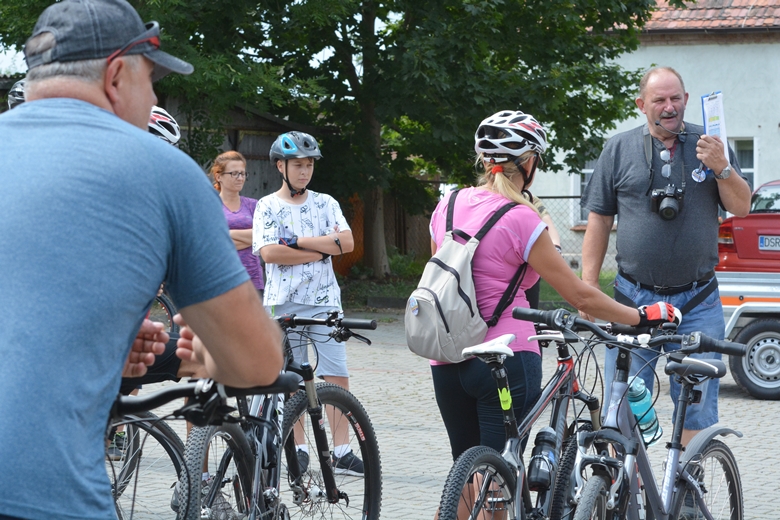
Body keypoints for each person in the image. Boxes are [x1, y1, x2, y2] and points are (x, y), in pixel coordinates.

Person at [0, 1, 283, 519]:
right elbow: (256, 363)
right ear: (115, 76)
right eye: (150, 81)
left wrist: (97, 339)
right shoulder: (162, 171)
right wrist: (210, 355)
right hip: (42, 499)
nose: (154, 97)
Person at [429, 109, 681, 478]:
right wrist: (642, 316)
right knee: (499, 481)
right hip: (507, 355)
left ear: (484, 159)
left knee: (464, 477)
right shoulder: (521, 218)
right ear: (528, 162)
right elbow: (580, 296)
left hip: (447, 357)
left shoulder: (446, 206)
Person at [580, 66, 752, 446]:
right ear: (642, 105)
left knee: (697, 403)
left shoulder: (711, 145)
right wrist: (588, 287)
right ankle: (630, 496)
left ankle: (687, 498)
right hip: (632, 301)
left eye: (676, 98)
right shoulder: (619, 148)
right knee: (624, 402)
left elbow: (741, 207)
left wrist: (721, 168)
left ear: (687, 100)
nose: (669, 106)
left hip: (697, 301)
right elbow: (599, 220)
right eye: (659, 100)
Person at [253, 131, 361, 475]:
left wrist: (298, 242)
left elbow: (346, 242)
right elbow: (270, 252)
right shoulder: (267, 206)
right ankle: (298, 448)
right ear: (280, 166)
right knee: (292, 379)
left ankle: (342, 450)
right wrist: (321, 249)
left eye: (310, 164)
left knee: (336, 374)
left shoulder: (326, 203)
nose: (305, 171)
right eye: (298, 164)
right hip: (283, 304)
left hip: (324, 302)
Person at [212, 150, 265, 297]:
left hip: (252, 280)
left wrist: (226, 234)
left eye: (242, 173)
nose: (240, 178)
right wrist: (250, 239)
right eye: (234, 173)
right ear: (219, 176)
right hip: (219, 279)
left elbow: (264, 238)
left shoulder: (254, 206)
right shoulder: (209, 206)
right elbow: (209, 244)